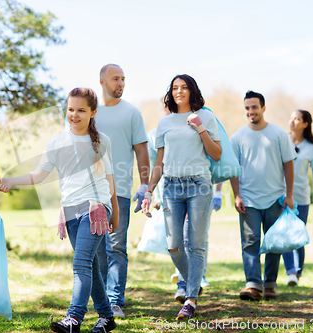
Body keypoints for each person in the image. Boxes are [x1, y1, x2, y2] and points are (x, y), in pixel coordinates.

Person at [0, 88, 119, 333]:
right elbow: (39, 175)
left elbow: (110, 178)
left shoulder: (102, 140)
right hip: (71, 210)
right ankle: (106, 316)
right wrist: (11, 180)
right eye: (70, 109)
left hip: (95, 209)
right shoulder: (56, 142)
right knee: (90, 265)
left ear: (93, 112)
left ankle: (73, 318)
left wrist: (114, 211)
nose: (74, 114)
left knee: (81, 263)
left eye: (81, 110)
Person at [142, 74, 222, 319]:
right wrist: (148, 190)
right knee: (173, 245)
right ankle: (193, 284)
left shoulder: (206, 117)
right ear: (171, 92)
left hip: (199, 185)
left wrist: (200, 128)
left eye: (184, 87)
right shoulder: (164, 123)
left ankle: (190, 299)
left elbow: (216, 154)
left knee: (196, 245)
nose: (179, 91)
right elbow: (159, 162)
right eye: (175, 88)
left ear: (192, 91)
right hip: (172, 188)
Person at [229, 91, 296, 301]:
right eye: (247, 108)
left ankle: (269, 284)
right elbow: (233, 169)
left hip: (274, 198)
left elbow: (289, 164)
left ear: (263, 108)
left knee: (273, 243)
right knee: (250, 242)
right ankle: (253, 285)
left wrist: (290, 195)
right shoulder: (238, 137)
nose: (250, 112)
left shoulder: (278, 134)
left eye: (254, 107)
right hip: (248, 200)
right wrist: (237, 195)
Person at [95, 64, 150, 318]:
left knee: (115, 246)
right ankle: (103, 299)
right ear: (102, 81)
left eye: (124, 79)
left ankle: (115, 299)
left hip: (122, 191)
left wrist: (145, 184)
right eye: (116, 78)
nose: (121, 83)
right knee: (97, 248)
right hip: (91, 191)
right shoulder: (89, 111)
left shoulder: (132, 113)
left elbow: (141, 150)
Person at [283, 110, 313, 287]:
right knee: (285, 235)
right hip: (281, 197)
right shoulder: (282, 141)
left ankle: (297, 273)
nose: (292, 121)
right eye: (291, 118)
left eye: (297, 119)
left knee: (298, 236)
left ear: (305, 124)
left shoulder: (311, 148)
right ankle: (290, 272)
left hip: (302, 198)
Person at [173, 183, 223, 303]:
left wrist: (218, 192)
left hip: (204, 189)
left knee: (200, 239)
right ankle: (184, 283)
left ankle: (197, 280)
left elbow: (218, 167)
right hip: (180, 190)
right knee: (182, 240)